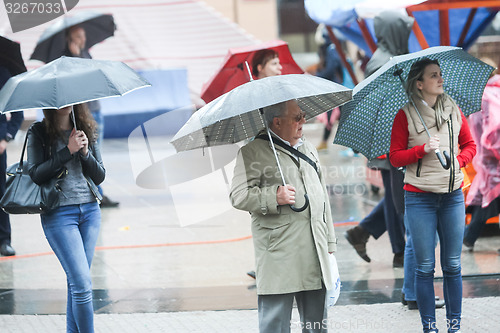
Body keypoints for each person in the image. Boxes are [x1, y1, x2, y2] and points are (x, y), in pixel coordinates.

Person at [230, 99, 337, 333]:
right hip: (279, 252)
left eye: (303, 115)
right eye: (296, 117)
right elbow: (238, 196)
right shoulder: (252, 152)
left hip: (314, 248)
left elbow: (322, 195)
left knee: (317, 323)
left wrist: (329, 240)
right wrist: (273, 196)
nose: (303, 121)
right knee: (275, 324)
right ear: (277, 122)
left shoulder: (307, 147)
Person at [389, 58, 476, 333]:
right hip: (419, 198)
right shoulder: (404, 115)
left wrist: (460, 161)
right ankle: (430, 328)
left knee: (452, 264)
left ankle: (454, 326)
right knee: (425, 267)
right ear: (419, 83)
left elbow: (470, 145)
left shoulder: (453, 110)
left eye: (440, 74)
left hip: (452, 196)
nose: (440, 79)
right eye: (433, 75)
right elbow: (394, 158)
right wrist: (422, 150)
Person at [27, 103, 105, 332]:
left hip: (90, 211)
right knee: (81, 284)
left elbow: (99, 176)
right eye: (57, 101)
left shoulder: (87, 129)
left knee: (77, 283)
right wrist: (67, 151)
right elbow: (36, 174)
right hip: (60, 214)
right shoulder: (39, 132)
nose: (64, 104)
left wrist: (84, 152)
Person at [344, 10, 411, 268]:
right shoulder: (383, 62)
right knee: (399, 197)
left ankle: (362, 233)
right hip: (389, 142)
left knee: (399, 194)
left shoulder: (388, 58)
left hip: (394, 140)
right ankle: (400, 251)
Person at [64, 24, 118, 208]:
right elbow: (80, 77)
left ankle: (98, 191)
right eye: (78, 36)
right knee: (90, 151)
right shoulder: (69, 57)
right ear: (70, 39)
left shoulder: (85, 53)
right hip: (84, 112)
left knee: (97, 151)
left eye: (83, 35)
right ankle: (97, 193)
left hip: (95, 108)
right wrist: (75, 55)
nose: (82, 39)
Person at [246, 49, 283, 280]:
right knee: (262, 212)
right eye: (274, 64)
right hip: (259, 156)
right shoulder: (250, 94)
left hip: (279, 155)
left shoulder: (280, 91)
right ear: (259, 68)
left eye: (280, 63)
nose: (279, 68)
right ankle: (264, 264)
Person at [463, 57, 500, 252]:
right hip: (493, 157)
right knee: (489, 198)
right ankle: (468, 236)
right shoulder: (497, 90)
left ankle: (468, 236)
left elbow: (486, 128)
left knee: (490, 198)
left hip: (491, 157)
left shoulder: (483, 96)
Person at [0, 66, 24, 256]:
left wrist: (6, 138)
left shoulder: (4, 75)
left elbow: (17, 113)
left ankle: (4, 239)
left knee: (1, 192)